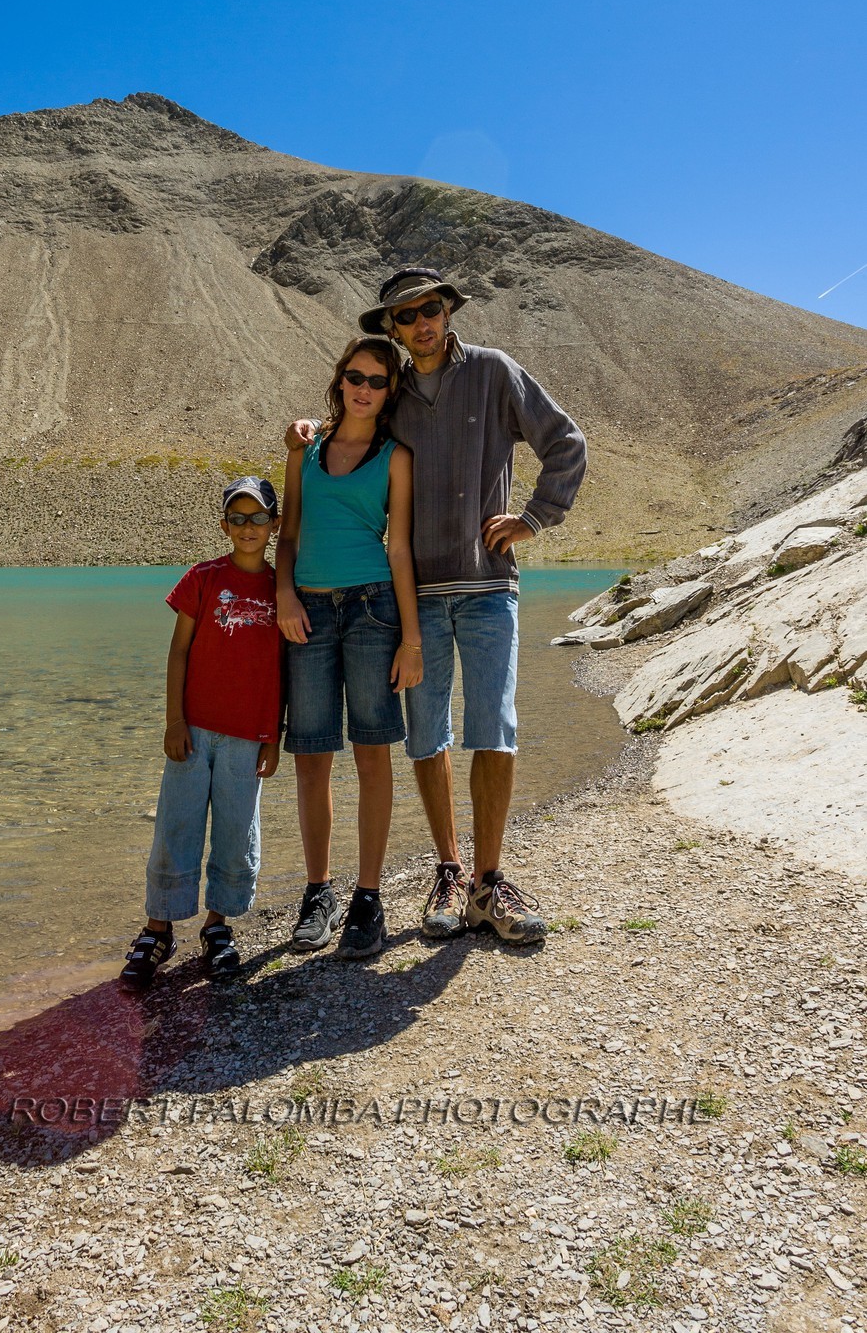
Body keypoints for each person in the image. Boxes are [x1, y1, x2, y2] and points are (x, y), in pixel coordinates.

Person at [286, 267, 586, 945]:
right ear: (392, 329)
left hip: (486, 585)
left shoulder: (493, 371)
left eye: (430, 309)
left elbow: (566, 443)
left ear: (448, 311)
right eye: (406, 315)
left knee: (493, 728)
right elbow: (349, 430)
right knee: (426, 734)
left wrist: (534, 518)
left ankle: (488, 882)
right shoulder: (392, 395)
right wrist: (302, 432)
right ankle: (448, 871)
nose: (421, 322)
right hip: (413, 598)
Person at [276, 336, 423, 959]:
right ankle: (318, 893)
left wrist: (411, 639)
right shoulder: (305, 449)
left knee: (371, 753)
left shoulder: (396, 457)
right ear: (340, 380)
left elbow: (399, 548)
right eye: (355, 376)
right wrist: (284, 594)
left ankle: (368, 898)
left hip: (372, 609)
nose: (364, 389)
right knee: (311, 756)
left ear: (391, 392)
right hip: (307, 612)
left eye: (378, 381)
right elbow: (288, 533)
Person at [120, 476, 282, 985]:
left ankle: (218, 926)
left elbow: (282, 668)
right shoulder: (203, 577)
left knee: (237, 831)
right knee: (176, 826)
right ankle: (158, 928)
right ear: (224, 525)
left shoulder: (282, 588)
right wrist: (174, 720)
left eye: (259, 518)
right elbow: (179, 651)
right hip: (193, 732)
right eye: (237, 518)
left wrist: (273, 736)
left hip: (248, 736)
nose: (248, 527)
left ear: (274, 525)